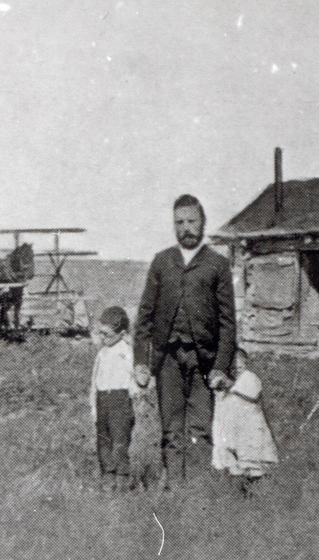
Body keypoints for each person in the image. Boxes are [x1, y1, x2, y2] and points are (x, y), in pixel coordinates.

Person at [134, 194, 236, 488]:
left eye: (192, 221)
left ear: (203, 222)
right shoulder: (162, 262)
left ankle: (199, 494)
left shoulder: (217, 264)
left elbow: (228, 323)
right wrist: (142, 361)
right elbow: (144, 318)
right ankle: (175, 489)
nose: (186, 228)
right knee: (171, 428)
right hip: (167, 360)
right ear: (173, 225)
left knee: (201, 428)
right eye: (179, 222)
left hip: (204, 360)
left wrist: (220, 366)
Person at [90, 307, 143, 492]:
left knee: (119, 443)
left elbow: (136, 378)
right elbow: (94, 382)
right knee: (103, 442)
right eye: (100, 334)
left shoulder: (127, 352)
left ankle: (122, 480)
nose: (102, 338)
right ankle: (107, 478)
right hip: (102, 400)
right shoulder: (102, 354)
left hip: (120, 401)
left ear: (121, 334)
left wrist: (133, 396)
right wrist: (94, 408)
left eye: (106, 334)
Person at [212, 348, 279, 491]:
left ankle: (257, 486)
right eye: (233, 367)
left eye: (240, 367)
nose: (236, 370)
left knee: (254, 457)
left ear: (246, 364)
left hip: (252, 426)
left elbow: (252, 393)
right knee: (236, 460)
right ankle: (240, 489)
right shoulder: (229, 382)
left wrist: (232, 388)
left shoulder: (250, 378)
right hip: (236, 429)